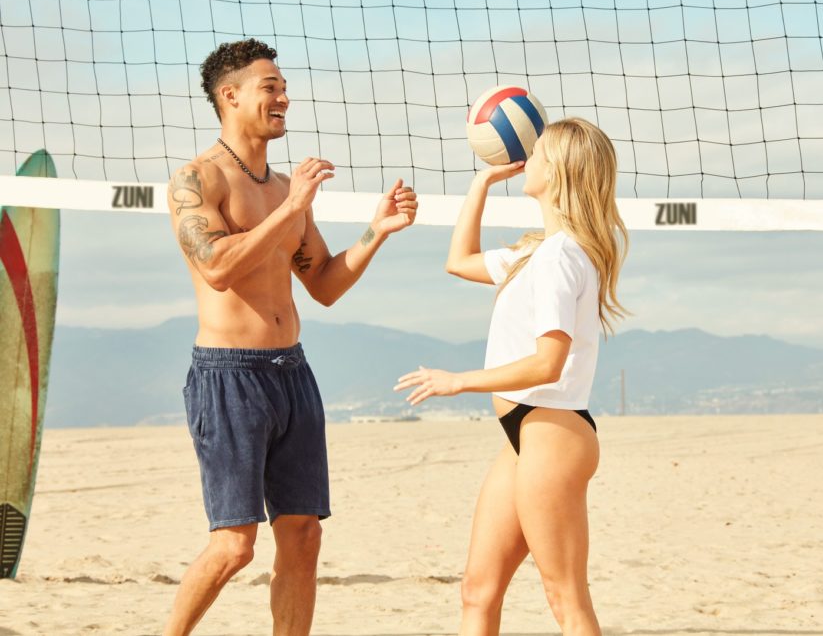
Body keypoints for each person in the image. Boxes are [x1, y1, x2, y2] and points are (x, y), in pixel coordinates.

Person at [163, 38, 417, 636]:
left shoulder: (283, 188)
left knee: (303, 536)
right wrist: (293, 207)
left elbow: (324, 284)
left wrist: (375, 233)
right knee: (233, 546)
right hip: (229, 375)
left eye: (283, 87)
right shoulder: (197, 180)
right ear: (230, 96)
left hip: (291, 372)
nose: (284, 98)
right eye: (270, 87)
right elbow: (218, 267)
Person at [394, 117, 627, 635]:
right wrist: (481, 183)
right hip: (526, 432)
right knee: (477, 590)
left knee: (565, 598)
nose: (528, 153)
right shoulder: (537, 252)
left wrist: (459, 380)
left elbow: (550, 362)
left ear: (559, 170)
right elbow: (458, 261)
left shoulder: (562, 256)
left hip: (553, 431)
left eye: (538, 149)